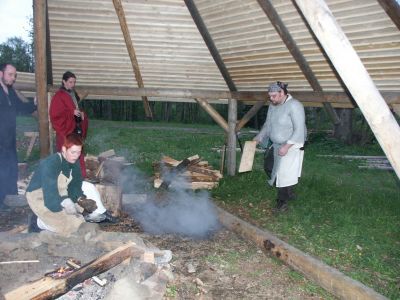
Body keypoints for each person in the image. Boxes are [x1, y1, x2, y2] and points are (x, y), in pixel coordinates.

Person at [26, 133, 117, 235]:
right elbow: (50, 196)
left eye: (78, 152)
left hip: (61, 192)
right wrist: (64, 202)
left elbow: (74, 186)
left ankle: (94, 215)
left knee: (81, 204)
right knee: (66, 225)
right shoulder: (50, 164)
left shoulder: (74, 162)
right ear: (64, 149)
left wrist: (80, 199)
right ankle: (37, 222)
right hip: (40, 195)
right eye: (73, 152)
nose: (76, 156)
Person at [254, 81, 307, 212]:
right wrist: (259, 137)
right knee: (269, 167)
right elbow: (268, 124)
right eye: (270, 96)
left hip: (293, 143)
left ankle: (282, 203)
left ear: (282, 93)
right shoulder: (273, 105)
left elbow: (299, 129)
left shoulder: (295, 105)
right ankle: (288, 192)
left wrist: (287, 146)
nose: (271, 99)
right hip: (276, 144)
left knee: (283, 174)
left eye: (274, 96)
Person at [0, 63, 36, 209]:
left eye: (15, 75)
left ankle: (10, 200)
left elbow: (20, 108)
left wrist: (34, 104)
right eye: (10, 74)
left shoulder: (10, 91)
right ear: (0, 74)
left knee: (11, 170)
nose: (13, 78)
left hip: (9, 139)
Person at [49, 71, 89, 177]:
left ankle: (79, 179)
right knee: (67, 157)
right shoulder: (59, 96)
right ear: (64, 82)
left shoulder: (73, 94)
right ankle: (65, 182)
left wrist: (82, 114)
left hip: (75, 130)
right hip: (65, 133)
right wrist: (71, 113)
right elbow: (55, 114)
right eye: (70, 82)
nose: (72, 84)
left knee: (78, 155)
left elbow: (76, 110)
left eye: (74, 82)